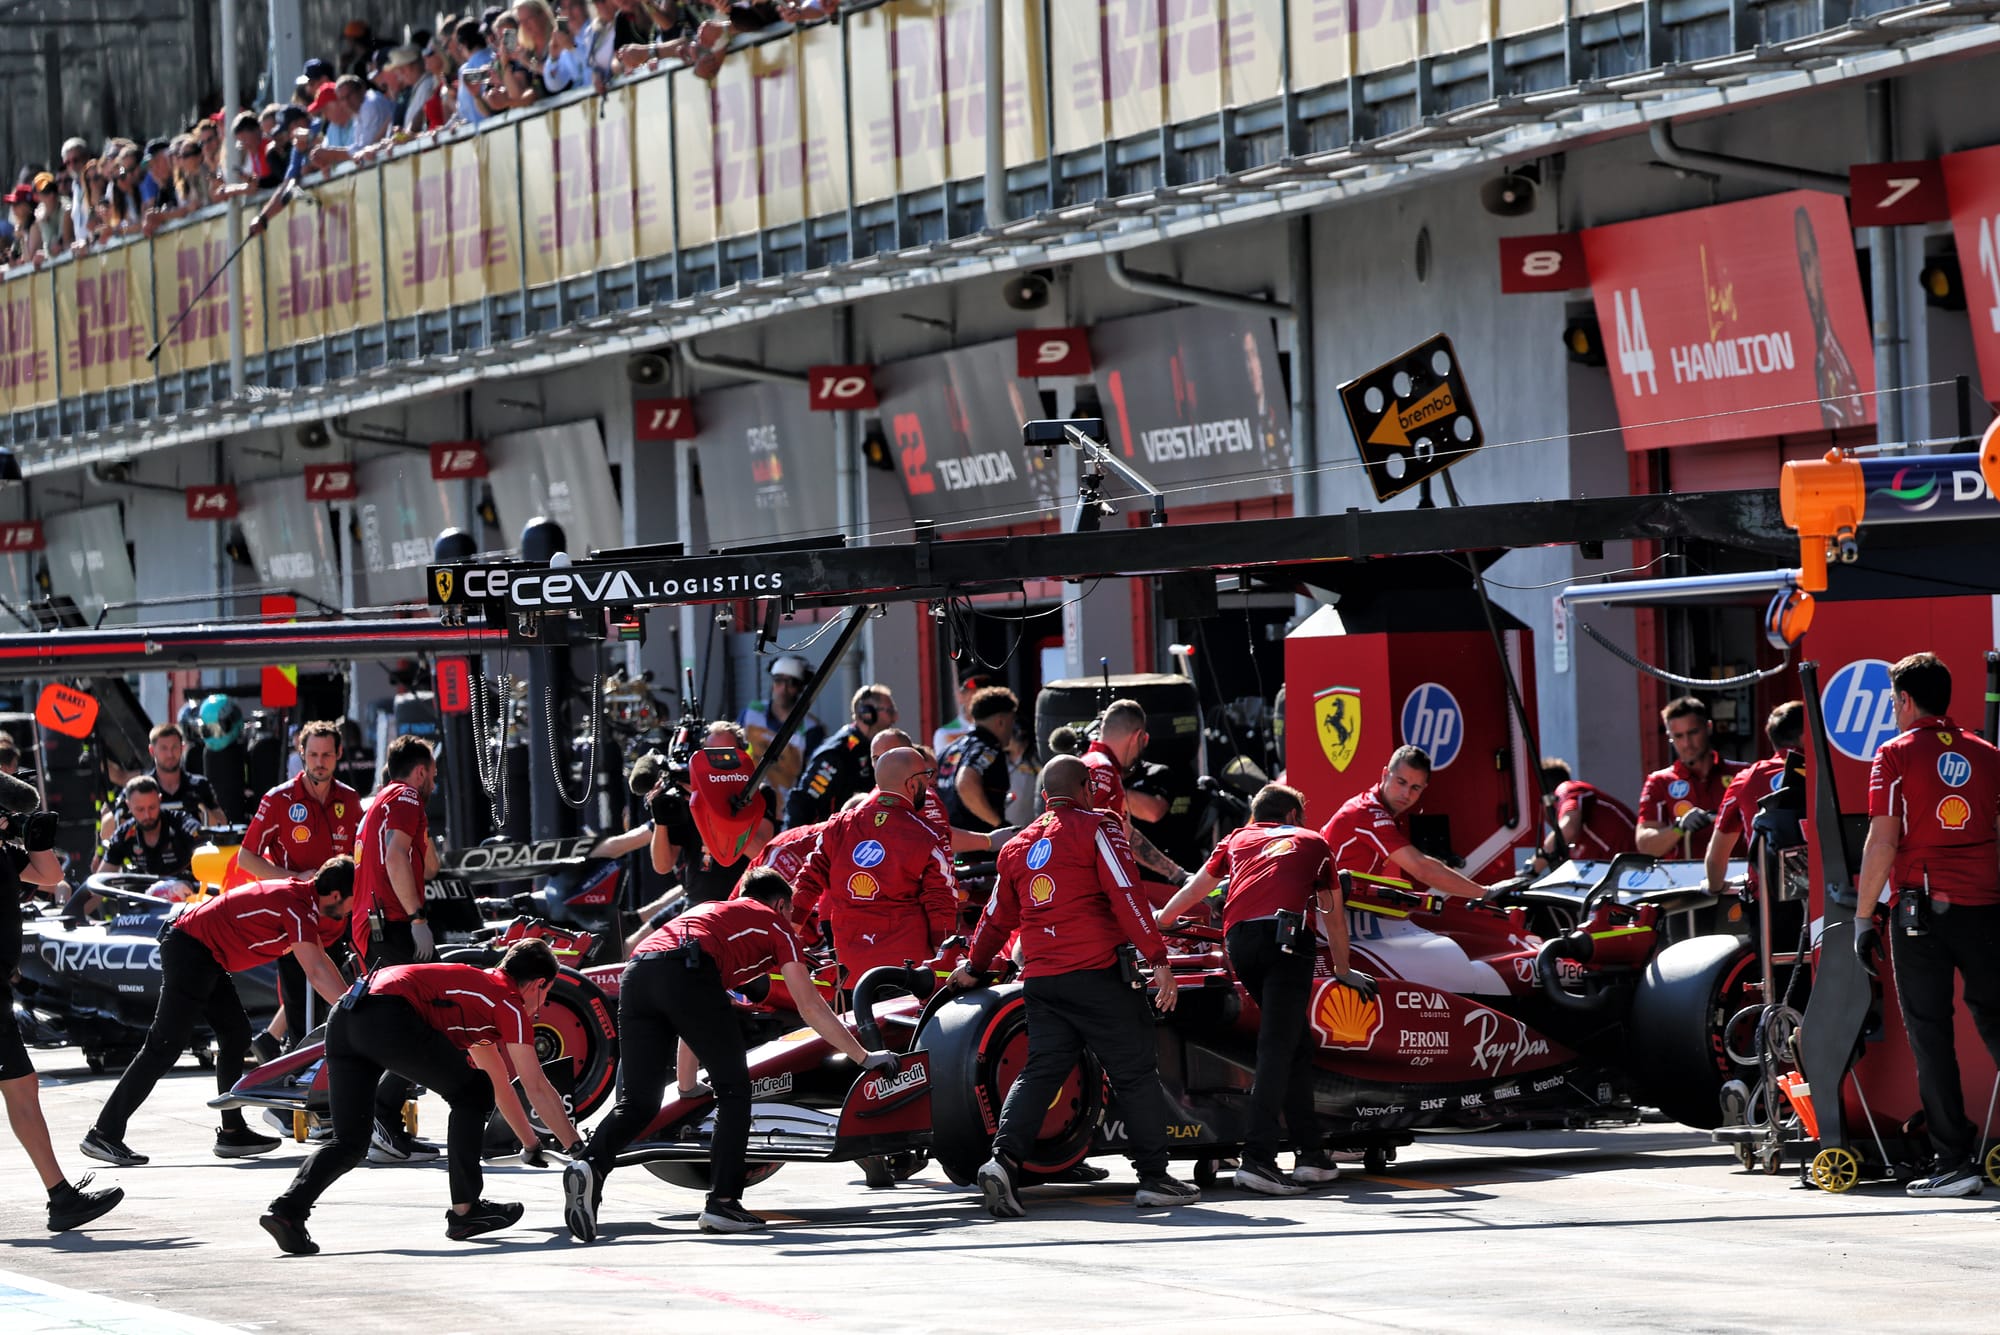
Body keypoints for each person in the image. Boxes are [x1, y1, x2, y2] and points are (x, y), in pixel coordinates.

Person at [562, 867, 895, 1241]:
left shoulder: (713, 914)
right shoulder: (775, 922)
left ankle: (591, 1164)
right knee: (735, 1091)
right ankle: (722, 1203)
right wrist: (865, 1058)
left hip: (638, 972)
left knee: (639, 1102)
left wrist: (687, 1088)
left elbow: (694, 1016)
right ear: (781, 904)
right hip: (688, 973)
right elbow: (811, 1007)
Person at [948, 755, 1200, 1216]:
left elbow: (995, 918)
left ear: (1044, 795)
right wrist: (1158, 958)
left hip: (1042, 981)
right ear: (1086, 788)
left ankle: (1003, 1162)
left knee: (1041, 1071)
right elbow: (1128, 893)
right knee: (1135, 1072)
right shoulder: (1095, 827)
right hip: (1097, 975)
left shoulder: (1017, 846)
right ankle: (1155, 1178)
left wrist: (975, 965)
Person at [259, 938, 585, 1254]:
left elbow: (500, 1083)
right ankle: (466, 1212)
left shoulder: (475, 995)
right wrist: (577, 1149)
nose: (541, 1008)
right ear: (538, 984)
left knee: (350, 1142)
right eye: (547, 995)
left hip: (346, 1014)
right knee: (471, 1092)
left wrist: (531, 1145)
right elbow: (536, 1086)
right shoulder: (506, 1000)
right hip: (386, 1014)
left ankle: (287, 1211)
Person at [1153, 783, 1363, 1195]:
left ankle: (1311, 1155)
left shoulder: (1237, 838)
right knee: (1277, 1045)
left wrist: (1163, 919)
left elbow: (1198, 888)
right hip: (1287, 942)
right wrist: (1343, 969)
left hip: (1240, 944)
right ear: (1291, 817)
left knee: (1293, 1041)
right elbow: (1334, 916)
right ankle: (1259, 1159)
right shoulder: (1312, 840)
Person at [80, 859, 357, 1168]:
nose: (349, 912)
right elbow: (316, 972)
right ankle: (104, 1132)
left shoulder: (303, 903)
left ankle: (232, 1132)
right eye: (350, 903)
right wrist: (352, 1013)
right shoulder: (297, 905)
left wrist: (349, 999)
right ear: (334, 895)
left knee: (235, 1035)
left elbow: (320, 958)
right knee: (164, 1045)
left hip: (205, 953)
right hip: (189, 947)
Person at [1851, 653, 2000, 1198]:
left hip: (1921, 912)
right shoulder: (1988, 754)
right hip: (1986, 907)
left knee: (1930, 1033)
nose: (1893, 708)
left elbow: (1883, 841)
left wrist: (1864, 918)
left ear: (1906, 701)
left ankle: (1955, 1161)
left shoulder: (1893, 756)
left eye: (1893, 700)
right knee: (1997, 1020)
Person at [0, 783, 126, 1232]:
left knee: (22, 1087)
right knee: (21, 1088)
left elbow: (50, 875)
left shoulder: (3, 852)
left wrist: (31, 835)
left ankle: (61, 1197)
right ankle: (61, 1197)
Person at [238, 720, 364, 1058]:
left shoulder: (350, 800)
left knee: (335, 1003)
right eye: (313, 755)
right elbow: (245, 858)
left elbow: (361, 860)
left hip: (338, 921)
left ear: (338, 754)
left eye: (326, 755)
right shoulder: (279, 799)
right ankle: (292, 1082)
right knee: (298, 1007)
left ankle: (331, 1074)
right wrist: (292, 878)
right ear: (301, 754)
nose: (319, 762)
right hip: (293, 917)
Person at [347, 735, 444, 1162]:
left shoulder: (383, 802)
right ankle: (382, 1116)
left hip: (375, 928)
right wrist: (419, 919)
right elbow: (395, 857)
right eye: (433, 775)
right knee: (428, 1024)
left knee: (412, 1026)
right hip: (394, 928)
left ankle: (386, 1120)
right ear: (420, 771)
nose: (435, 783)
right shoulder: (406, 797)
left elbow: (430, 864)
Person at [790, 748, 955, 986]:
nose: (928, 785)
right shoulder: (929, 835)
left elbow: (807, 883)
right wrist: (945, 958)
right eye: (926, 777)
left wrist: (786, 935)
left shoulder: (838, 827)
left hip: (849, 973)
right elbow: (941, 902)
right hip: (907, 974)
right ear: (912, 784)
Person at [1318, 746, 1492, 899]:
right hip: (1324, 911)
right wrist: (1485, 893)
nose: (1406, 793)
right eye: (1401, 782)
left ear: (1424, 789)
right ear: (1385, 775)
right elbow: (1422, 869)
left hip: (1337, 907)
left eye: (1415, 788)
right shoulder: (1368, 813)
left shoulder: (1383, 812)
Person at [645, 721, 778, 906]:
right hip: (698, 904)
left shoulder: (758, 794)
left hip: (744, 903)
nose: (718, 759)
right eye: (711, 752)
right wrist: (660, 815)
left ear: (741, 753)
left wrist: (710, 804)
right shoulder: (687, 796)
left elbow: (760, 853)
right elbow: (662, 865)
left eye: (726, 751)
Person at [1082, 699, 1191, 889]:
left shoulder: (1088, 764)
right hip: (1091, 890)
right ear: (1139, 736)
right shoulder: (1104, 771)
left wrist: (1177, 875)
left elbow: (1124, 834)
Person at [1703, 701, 1806, 895]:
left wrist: (1716, 886)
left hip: (1768, 904)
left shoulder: (1747, 778)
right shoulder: (1830, 774)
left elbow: (1716, 858)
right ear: (1806, 736)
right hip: (1827, 900)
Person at [1635, 696, 1746, 859]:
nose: (1687, 743)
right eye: (1678, 736)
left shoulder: (1743, 774)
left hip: (1739, 876)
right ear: (1669, 736)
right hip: (1684, 881)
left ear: (1708, 727)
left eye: (1693, 733)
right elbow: (1645, 846)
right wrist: (1679, 828)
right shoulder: (1659, 782)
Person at [783, 684, 898, 828]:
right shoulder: (837, 753)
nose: (895, 718)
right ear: (867, 713)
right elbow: (802, 804)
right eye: (890, 711)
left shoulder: (878, 748)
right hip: (834, 841)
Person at [103, 721, 224, 835]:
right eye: (164, 748)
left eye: (174, 747)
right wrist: (120, 811)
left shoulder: (199, 785)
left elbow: (222, 825)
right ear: (152, 750)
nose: (170, 754)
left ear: (182, 748)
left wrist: (202, 808)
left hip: (192, 853)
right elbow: (105, 834)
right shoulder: (139, 788)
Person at [736, 654, 825, 797]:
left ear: (801, 687)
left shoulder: (811, 728)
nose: (783, 688)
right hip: (747, 799)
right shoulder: (750, 714)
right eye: (778, 681)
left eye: (791, 683)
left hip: (785, 809)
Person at [938, 686, 1017, 835]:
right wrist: (999, 825)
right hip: (980, 846)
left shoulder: (949, 750)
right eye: (1012, 722)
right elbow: (965, 784)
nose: (1013, 729)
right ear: (1001, 722)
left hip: (950, 844)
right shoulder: (988, 747)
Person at [1533, 758, 1638, 869]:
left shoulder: (1567, 788)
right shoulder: (1579, 847)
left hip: (1637, 868)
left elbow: (1567, 830)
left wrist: (1531, 870)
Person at [94, 776, 201, 882]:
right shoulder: (124, 834)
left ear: (160, 800)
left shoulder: (182, 823)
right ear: (129, 805)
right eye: (140, 809)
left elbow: (203, 849)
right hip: (145, 896)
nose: (147, 815)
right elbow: (99, 883)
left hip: (188, 891)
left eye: (152, 807)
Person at [930, 672, 994, 757]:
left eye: (984, 694)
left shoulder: (1002, 727)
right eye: (973, 693)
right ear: (960, 696)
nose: (979, 699)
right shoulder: (945, 733)